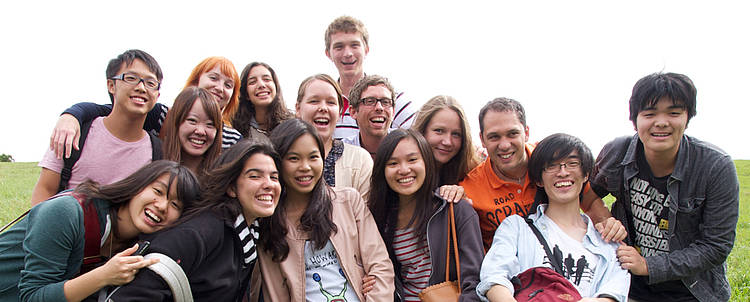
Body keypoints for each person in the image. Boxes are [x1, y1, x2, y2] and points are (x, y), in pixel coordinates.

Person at [590, 72, 739, 302]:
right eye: (649, 113)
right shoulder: (617, 152)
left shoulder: (715, 166)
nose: (661, 122)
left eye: (674, 113)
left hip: (693, 291)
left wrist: (648, 265)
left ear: (687, 117)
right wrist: (605, 220)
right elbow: (586, 195)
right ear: (635, 119)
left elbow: (716, 246)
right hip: (627, 285)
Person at [0, 160, 200, 302]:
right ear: (137, 185)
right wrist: (104, 275)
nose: (163, 206)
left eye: (175, 204)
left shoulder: (139, 245)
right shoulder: (68, 212)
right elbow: (32, 296)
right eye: (157, 191)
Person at [109, 139, 283, 301]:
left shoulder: (249, 235)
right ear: (231, 187)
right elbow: (133, 295)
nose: (269, 184)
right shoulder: (202, 232)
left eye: (274, 177)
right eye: (255, 176)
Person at [254, 119, 395, 302]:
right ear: (278, 163)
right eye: (293, 158)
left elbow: (380, 266)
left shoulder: (348, 201)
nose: (305, 167)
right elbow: (275, 292)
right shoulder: (270, 220)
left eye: (313, 157)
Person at [477, 133, 630, 302]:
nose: (563, 173)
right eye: (551, 166)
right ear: (539, 180)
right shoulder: (516, 228)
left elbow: (615, 292)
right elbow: (493, 277)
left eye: (572, 164)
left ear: (586, 174)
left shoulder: (607, 240)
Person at [459, 98, 625, 251]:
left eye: (512, 134)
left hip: (562, 262)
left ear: (526, 132)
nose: (504, 145)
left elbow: (590, 202)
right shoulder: (469, 188)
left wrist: (608, 225)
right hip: (510, 273)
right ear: (482, 139)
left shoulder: (554, 159)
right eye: (494, 136)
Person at [30, 49, 164, 205]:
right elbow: (46, 189)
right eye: (131, 78)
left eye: (150, 83)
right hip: (65, 225)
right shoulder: (75, 133)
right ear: (111, 85)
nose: (141, 88)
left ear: (157, 95)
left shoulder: (158, 152)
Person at [368, 129, 483, 301]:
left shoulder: (454, 209)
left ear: (426, 162)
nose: (404, 169)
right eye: (393, 163)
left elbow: (474, 279)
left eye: (412, 160)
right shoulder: (379, 219)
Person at [49, 56, 242, 156]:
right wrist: (71, 116)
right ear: (196, 81)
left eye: (228, 85)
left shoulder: (233, 138)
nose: (219, 88)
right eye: (213, 78)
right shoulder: (160, 115)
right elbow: (109, 111)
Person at [324, 16, 416, 138]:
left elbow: (414, 144)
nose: (348, 54)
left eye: (354, 45)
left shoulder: (396, 101)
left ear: (366, 49)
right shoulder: (325, 106)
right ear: (328, 54)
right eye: (339, 47)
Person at [294, 74, 372, 200]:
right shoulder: (282, 157)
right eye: (314, 101)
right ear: (298, 108)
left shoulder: (359, 160)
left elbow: (364, 216)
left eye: (331, 102)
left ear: (340, 111)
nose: (323, 108)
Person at [411, 95, 479, 186]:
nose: (448, 142)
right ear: (422, 130)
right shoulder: (404, 170)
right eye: (439, 131)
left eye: (456, 134)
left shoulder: (473, 173)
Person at [159, 86, 222, 177]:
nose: (200, 131)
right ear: (176, 122)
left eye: (209, 124)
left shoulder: (221, 179)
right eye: (192, 121)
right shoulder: (153, 160)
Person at [232, 62, 293, 138]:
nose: (261, 85)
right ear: (246, 94)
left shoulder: (291, 125)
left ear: (276, 87)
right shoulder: (235, 129)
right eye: (252, 82)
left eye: (266, 79)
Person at [341, 74, 396, 157]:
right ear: (353, 112)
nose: (379, 108)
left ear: (393, 112)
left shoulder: (406, 147)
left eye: (385, 102)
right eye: (370, 101)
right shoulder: (341, 152)